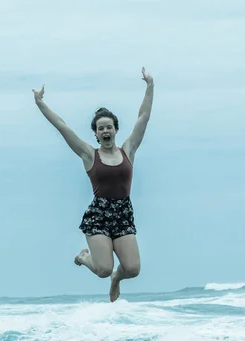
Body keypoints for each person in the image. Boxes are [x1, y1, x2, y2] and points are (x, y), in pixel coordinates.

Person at [32, 67, 154, 302]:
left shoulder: (128, 150)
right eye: (101, 128)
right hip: (99, 214)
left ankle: (116, 279)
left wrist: (150, 86)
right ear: (96, 134)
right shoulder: (89, 155)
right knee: (102, 269)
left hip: (123, 213)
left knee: (133, 269)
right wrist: (40, 103)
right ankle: (84, 257)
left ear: (116, 130)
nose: (105, 130)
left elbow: (143, 118)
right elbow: (62, 126)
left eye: (109, 126)